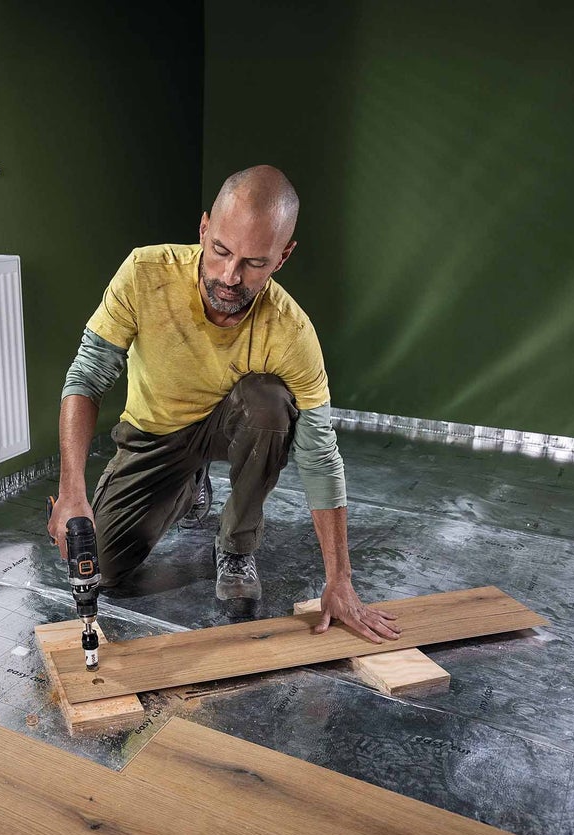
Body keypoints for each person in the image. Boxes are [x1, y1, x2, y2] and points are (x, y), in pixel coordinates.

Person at [47, 165, 400, 643]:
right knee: (104, 567)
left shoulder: (291, 331)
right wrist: (71, 490)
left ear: (283, 257)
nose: (230, 276)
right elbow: (87, 376)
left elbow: (320, 455)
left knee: (270, 402)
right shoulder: (145, 272)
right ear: (203, 229)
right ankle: (187, 486)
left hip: (234, 425)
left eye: (254, 262)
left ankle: (236, 543)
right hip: (154, 435)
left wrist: (340, 580)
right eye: (220, 251)